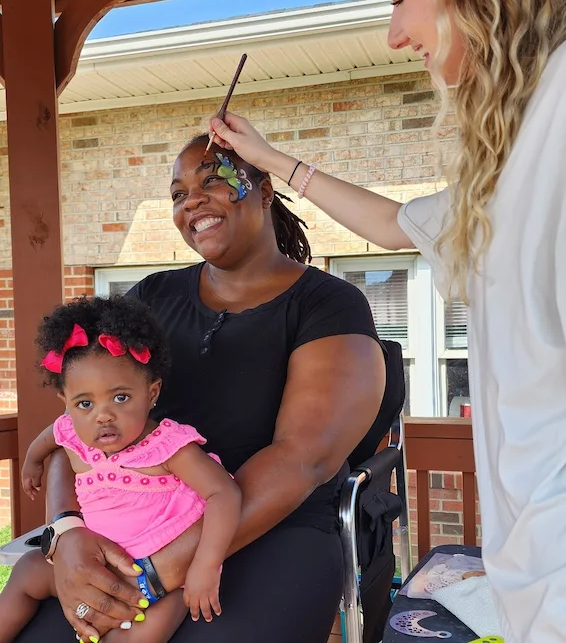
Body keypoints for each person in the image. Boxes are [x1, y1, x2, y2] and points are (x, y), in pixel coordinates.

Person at [207, 0, 566, 640]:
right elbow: (399, 225)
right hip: (531, 580)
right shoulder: (516, 152)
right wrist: (271, 158)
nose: (396, 33)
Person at [15, 134, 386, 642]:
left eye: (212, 179)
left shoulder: (327, 305)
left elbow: (304, 458)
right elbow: (73, 431)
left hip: (273, 531)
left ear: (263, 190)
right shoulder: (149, 299)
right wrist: (65, 531)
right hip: (129, 527)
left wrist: (162, 569)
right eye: (177, 193)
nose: (191, 200)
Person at [3, 295, 241, 643]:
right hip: (94, 559)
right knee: (25, 573)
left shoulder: (167, 447)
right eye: (85, 403)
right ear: (67, 404)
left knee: (142, 632)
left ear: (151, 392)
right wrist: (32, 461)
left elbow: (224, 493)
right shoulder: (73, 430)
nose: (102, 415)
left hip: (155, 568)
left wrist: (205, 565)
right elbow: (50, 436)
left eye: (120, 397)